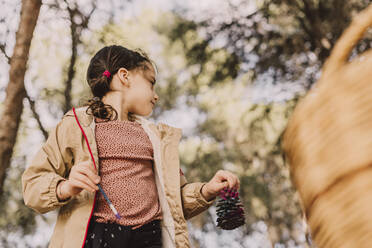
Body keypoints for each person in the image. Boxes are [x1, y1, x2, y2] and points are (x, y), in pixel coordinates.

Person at [22, 45, 240, 248]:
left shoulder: (156, 137)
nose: (156, 95)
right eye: (151, 82)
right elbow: (32, 185)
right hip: (99, 236)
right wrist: (66, 187)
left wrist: (207, 190)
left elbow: (173, 200)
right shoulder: (76, 125)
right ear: (124, 76)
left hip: (151, 236)